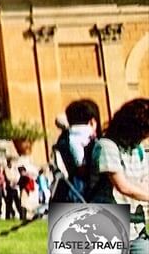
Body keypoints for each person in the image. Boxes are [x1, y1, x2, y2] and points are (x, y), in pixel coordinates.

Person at [88, 97, 149, 254]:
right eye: (144, 131)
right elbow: (122, 186)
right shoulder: (106, 146)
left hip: (136, 227)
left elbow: (144, 182)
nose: (145, 137)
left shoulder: (138, 149)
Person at [54, 98, 101, 203]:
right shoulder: (79, 138)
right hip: (81, 193)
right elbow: (81, 168)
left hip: (70, 193)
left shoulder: (65, 138)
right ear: (92, 121)